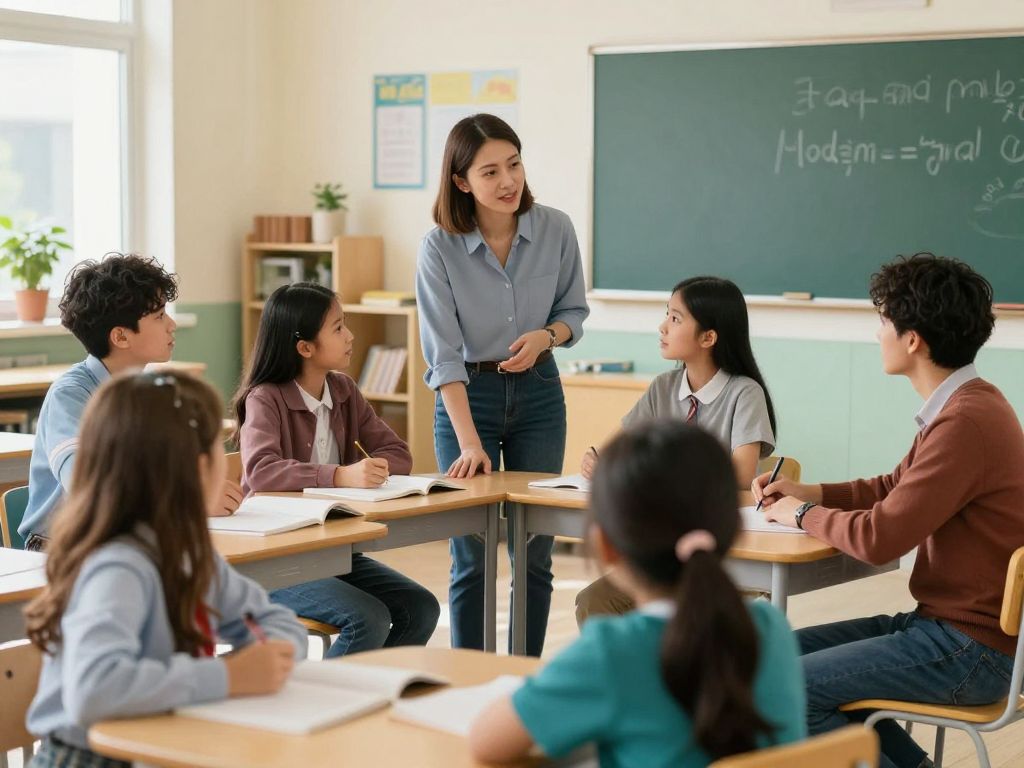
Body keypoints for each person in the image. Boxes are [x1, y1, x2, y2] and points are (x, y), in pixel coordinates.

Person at [755, 253, 1024, 768]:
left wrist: (797, 513)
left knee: (781, 690)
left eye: (882, 320)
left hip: (971, 651)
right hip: (946, 629)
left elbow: (881, 536)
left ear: (913, 339)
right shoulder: (966, 405)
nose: (876, 332)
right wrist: (807, 489)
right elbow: (891, 487)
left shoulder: (965, 422)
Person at [469, 421, 805, 767]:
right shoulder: (771, 629)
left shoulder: (610, 652)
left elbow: (485, 743)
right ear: (732, 530)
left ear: (605, 546)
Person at [24, 371, 305, 767]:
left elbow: (270, 619)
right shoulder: (118, 564)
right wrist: (229, 676)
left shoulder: (189, 551)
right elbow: (93, 691)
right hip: (88, 757)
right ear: (195, 468)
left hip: (155, 740)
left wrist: (274, 652)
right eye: (217, 452)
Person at [416, 113, 589, 655]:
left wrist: (547, 337)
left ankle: (523, 676)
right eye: (489, 172)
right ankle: (470, 676)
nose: (508, 180)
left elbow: (573, 311)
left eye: (513, 164)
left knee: (533, 551)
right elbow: (442, 356)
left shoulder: (555, 227)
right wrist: (469, 441)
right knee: (471, 553)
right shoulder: (439, 247)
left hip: (539, 391)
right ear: (461, 181)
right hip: (468, 398)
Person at [235, 282, 439, 657]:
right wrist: (341, 476)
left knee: (421, 608)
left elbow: (397, 453)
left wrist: (369, 470)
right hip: (273, 561)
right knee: (369, 618)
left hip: (332, 551)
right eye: (339, 327)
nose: (351, 336)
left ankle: (374, 697)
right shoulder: (265, 398)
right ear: (305, 347)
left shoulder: (343, 390)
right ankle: (332, 704)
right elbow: (262, 472)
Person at [576, 276, 775, 624]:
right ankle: (632, 679)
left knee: (688, 612)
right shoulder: (663, 386)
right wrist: (598, 459)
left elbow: (742, 474)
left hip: (725, 552)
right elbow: (619, 449)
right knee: (594, 601)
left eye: (675, 319)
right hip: (662, 548)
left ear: (708, 337)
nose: (662, 326)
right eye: (666, 314)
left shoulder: (745, 393)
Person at [21, 253, 241, 550]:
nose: (172, 325)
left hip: (129, 540)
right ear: (121, 337)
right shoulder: (71, 395)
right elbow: (88, 486)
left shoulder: (151, 392)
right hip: (59, 550)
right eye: (159, 315)